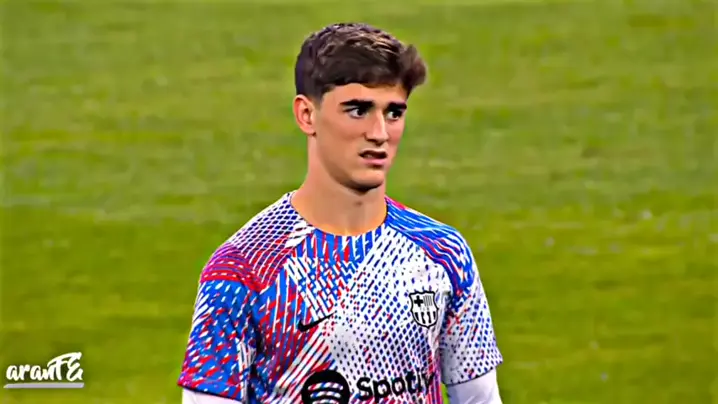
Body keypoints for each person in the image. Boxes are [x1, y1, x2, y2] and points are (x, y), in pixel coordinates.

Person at [178, 22, 504, 404]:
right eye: (358, 110)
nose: (379, 133)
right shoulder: (244, 268)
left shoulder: (443, 252)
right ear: (306, 114)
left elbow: (480, 399)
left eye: (394, 113)